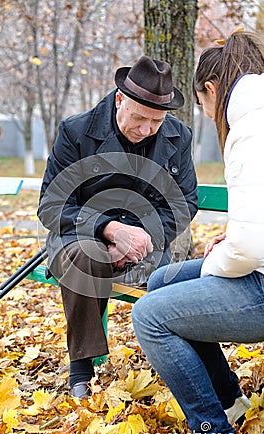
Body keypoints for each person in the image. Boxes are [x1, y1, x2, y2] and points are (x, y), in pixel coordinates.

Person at [132, 30, 264, 434]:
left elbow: (247, 252)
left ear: (212, 89)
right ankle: (229, 402)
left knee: (149, 315)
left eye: (205, 105)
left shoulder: (249, 129)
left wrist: (222, 254)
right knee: (162, 282)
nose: (209, 115)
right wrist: (239, 234)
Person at [38, 55, 198, 399]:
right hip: (79, 239)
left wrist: (143, 238)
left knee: (168, 279)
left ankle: (178, 366)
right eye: (139, 118)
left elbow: (184, 201)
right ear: (119, 99)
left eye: (156, 121)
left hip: (148, 245)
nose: (146, 129)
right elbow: (52, 204)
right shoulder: (76, 131)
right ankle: (82, 367)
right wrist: (110, 229)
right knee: (86, 256)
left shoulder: (179, 137)